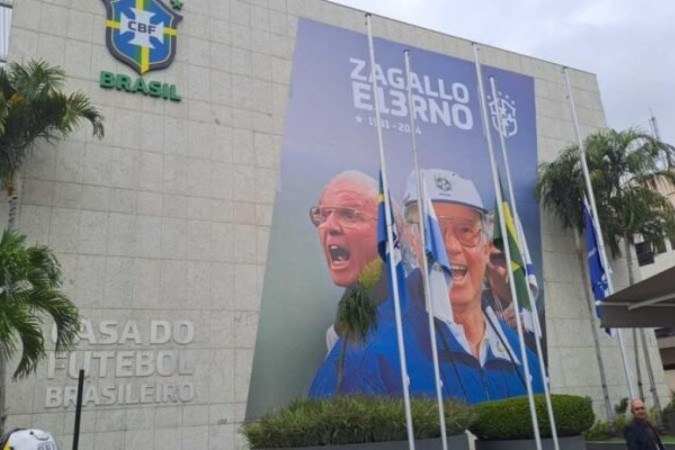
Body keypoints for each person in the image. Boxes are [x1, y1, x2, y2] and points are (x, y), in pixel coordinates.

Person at [309, 170, 382, 352]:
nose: (329, 226)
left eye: (349, 215)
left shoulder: (416, 316)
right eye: (323, 215)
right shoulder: (337, 330)